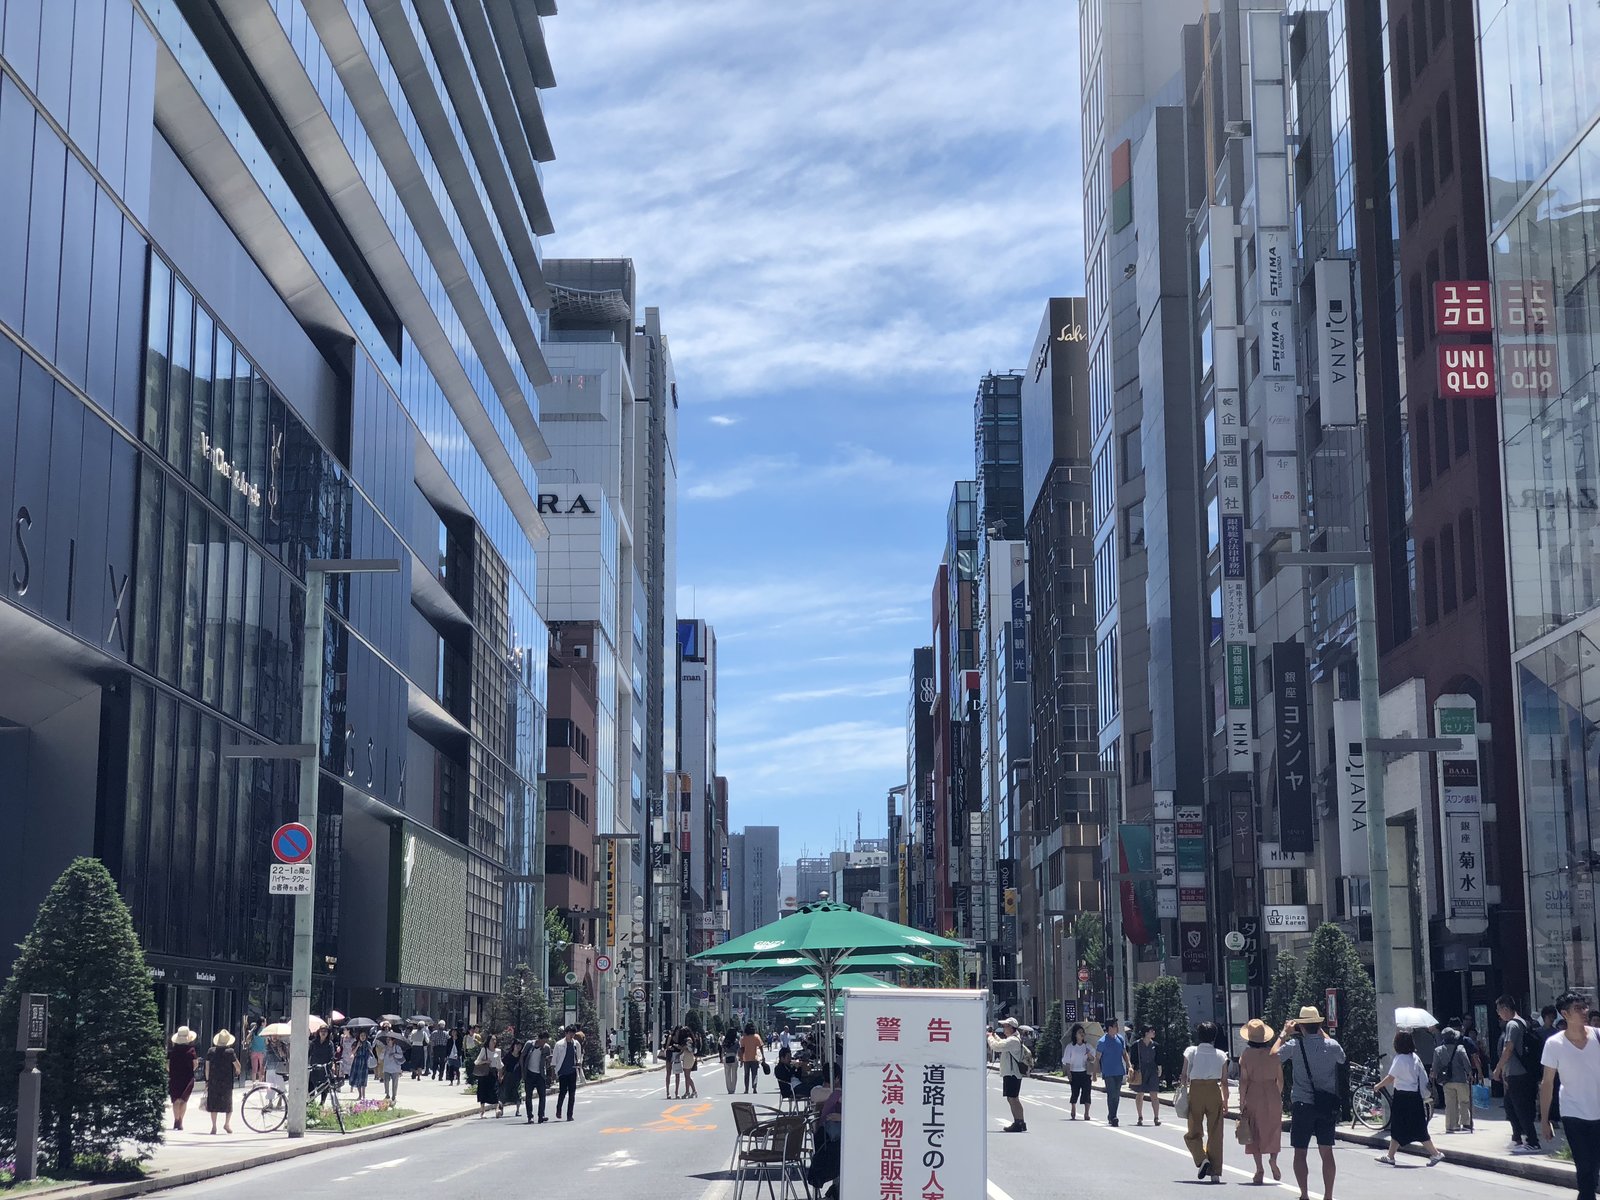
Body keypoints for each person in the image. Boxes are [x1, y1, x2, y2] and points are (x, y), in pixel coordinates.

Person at [1273, 1006, 1346, 1200]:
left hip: (1302, 1104)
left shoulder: (1295, 1046)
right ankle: (1328, 1196)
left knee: (1300, 1151)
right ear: (1319, 1024)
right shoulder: (1331, 1046)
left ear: (1301, 1026)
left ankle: (1304, 1194)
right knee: (1326, 1150)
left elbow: (1272, 1057)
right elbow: (1342, 1059)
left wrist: (1284, 1033)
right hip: (1326, 1105)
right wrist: (1319, 1031)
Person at [1541, 991, 1600, 1200]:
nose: (1584, 1011)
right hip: (1573, 1113)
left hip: (1598, 1112)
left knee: (1594, 1167)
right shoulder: (1554, 1044)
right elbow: (1547, 1083)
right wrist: (1545, 1119)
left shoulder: (1598, 1036)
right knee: (1584, 1166)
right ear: (1565, 1014)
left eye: (1584, 1007)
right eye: (1578, 1008)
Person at [1375, 1030, 1443, 1166]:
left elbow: (1391, 1077)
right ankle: (1391, 1156)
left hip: (1402, 1097)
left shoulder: (1399, 1059)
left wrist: (1378, 1085)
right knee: (1417, 1127)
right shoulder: (1414, 1057)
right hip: (1415, 1097)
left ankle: (1435, 1153)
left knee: (1398, 1125)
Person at [1181, 1020, 1230, 1183]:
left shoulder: (1191, 1051)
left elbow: (1183, 1075)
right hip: (1213, 1090)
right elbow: (1224, 1081)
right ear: (1214, 1037)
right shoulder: (1221, 1055)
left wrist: (1183, 1089)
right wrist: (1226, 1100)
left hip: (1196, 1090)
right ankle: (1215, 1172)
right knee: (1216, 1131)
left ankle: (1202, 1159)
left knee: (1193, 1130)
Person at [1496, 994, 1545, 1153]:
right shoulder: (1524, 1023)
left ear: (1505, 1008)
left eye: (1499, 1010)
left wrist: (1498, 1069)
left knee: (1520, 1108)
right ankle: (1517, 1138)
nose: (1498, 1015)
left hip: (1518, 1074)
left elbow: (1508, 1049)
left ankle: (1532, 1141)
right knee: (1511, 1106)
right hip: (1526, 1073)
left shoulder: (1512, 1025)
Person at [1238, 1019, 1283, 1185]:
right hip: (1271, 1092)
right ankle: (1273, 1159)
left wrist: (1242, 1101)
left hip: (1254, 1093)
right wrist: (1276, 1095)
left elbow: (1243, 1081)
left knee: (1254, 1132)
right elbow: (1281, 1079)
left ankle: (1259, 1169)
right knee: (1273, 1128)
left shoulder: (1246, 1055)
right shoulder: (1274, 1053)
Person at [988, 1016, 1032, 1132]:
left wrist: (989, 1038)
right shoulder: (1013, 1039)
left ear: (1011, 1028)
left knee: (1013, 1099)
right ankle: (1019, 1122)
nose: (1004, 1028)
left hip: (1012, 1073)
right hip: (1011, 1073)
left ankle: (1019, 1122)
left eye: (1005, 1026)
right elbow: (1001, 1043)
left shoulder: (1013, 1040)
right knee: (1012, 1098)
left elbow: (997, 1046)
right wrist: (994, 1036)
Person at [1433, 1026, 1474, 1134]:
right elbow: (1467, 1063)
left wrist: (1434, 1076)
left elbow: (1435, 1067)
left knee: (1450, 1104)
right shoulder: (1460, 1048)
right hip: (1461, 1079)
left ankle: (1452, 1125)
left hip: (1447, 1081)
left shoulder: (1438, 1050)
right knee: (1464, 1101)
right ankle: (1465, 1123)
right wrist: (1470, 1073)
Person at [204, 1030, 240, 1135]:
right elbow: (238, 1066)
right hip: (227, 1081)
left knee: (213, 1103)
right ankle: (227, 1124)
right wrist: (237, 1071)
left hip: (213, 1081)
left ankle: (214, 1126)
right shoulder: (230, 1052)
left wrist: (207, 1080)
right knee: (228, 1103)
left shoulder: (211, 1051)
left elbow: (207, 1067)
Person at [1096, 1017, 1129, 1127]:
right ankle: (1113, 1116)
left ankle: (1112, 1115)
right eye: (1115, 1026)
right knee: (1112, 1095)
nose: (1117, 1028)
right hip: (1108, 1072)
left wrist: (1129, 1065)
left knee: (1117, 1095)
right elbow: (1098, 1058)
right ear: (1110, 1028)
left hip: (1119, 1071)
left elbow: (1124, 1053)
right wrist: (1094, 1073)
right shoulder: (1102, 1042)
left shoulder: (1120, 1039)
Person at [168, 1026, 199, 1131]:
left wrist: (171, 1071)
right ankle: (180, 1121)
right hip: (187, 1076)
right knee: (184, 1100)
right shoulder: (191, 1050)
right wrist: (190, 1070)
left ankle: (176, 1120)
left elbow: (167, 1065)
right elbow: (195, 1064)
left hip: (174, 1077)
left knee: (175, 1100)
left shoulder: (172, 1051)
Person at [1062, 1024, 1094, 1120]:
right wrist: (1068, 1073)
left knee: (1087, 1092)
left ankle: (1087, 1113)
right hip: (1074, 1072)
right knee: (1075, 1092)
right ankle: (1073, 1108)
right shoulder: (1070, 1047)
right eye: (1079, 1032)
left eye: (1082, 1032)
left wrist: (1088, 1054)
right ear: (1075, 1035)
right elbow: (1067, 1061)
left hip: (1085, 1072)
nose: (1082, 1034)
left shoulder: (1087, 1046)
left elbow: (1093, 1059)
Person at [1133, 1025, 1163, 1126]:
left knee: (1154, 1094)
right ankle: (1140, 1116)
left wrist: (1159, 1068)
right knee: (1140, 1093)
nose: (1153, 1032)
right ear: (1146, 1033)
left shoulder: (1155, 1045)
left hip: (1152, 1070)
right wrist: (1132, 1070)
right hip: (1140, 1070)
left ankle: (1156, 1117)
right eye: (1151, 1031)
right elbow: (1133, 1059)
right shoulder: (1136, 1045)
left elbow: (1158, 1058)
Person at [553, 1026, 582, 1121]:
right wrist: (554, 1070)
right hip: (562, 1071)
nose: (571, 1035)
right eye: (570, 1033)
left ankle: (570, 1115)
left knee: (572, 1094)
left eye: (573, 1033)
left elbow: (579, 1056)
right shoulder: (559, 1044)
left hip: (572, 1071)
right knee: (562, 1092)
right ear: (566, 1033)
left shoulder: (576, 1044)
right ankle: (559, 1109)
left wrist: (579, 1062)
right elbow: (555, 1058)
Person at [523, 1030, 550, 1123]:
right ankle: (530, 1116)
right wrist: (523, 1072)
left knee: (542, 1096)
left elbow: (547, 1061)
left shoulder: (546, 1048)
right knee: (528, 1096)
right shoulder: (530, 1044)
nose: (544, 1043)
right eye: (543, 1041)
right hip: (529, 1073)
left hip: (540, 1074)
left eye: (546, 1041)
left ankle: (541, 1115)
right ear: (539, 1039)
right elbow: (522, 1056)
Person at [475, 1034, 503, 1117]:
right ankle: (482, 1110)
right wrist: (485, 1061)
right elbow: (477, 1062)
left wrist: (500, 1075)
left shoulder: (498, 1051)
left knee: (495, 1092)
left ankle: (497, 1110)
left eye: (495, 1040)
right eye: (492, 1040)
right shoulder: (484, 1050)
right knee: (483, 1092)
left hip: (493, 1073)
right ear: (488, 1041)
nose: (494, 1041)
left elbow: (499, 1064)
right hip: (484, 1074)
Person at [501, 1035, 524, 1116]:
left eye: (520, 1045)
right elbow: (502, 1064)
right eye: (517, 1045)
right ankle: (501, 1110)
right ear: (513, 1045)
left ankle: (517, 1111)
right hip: (508, 1076)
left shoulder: (521, 1056)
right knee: (504, 1093)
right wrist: (501, 1075)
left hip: (517, 1077)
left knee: (517, 1093)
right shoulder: (509, 1055)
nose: (518, 1047)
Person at [740, 1022, 765, 1093]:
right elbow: (761, 1046)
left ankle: (746, 1089)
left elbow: (742, 1049)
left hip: (746, 1058)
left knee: (746, 1074)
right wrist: (763, 1056)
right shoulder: (756, 1036)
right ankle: (754, 1087)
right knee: (755, 1074)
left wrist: (741, 1059)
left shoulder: (743, 1038)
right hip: (754, 1058)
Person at [347, 1029, 371, 1101]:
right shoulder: (355, 1043)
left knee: (363, 1079)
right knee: (357, 1079)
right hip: (357, 1062)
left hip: (364, 1062)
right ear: (359, 1036)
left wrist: (369, 1051)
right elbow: (352, 1053)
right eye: (361, 1035)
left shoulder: (368, 1044)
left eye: (364, 1035)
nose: (363, 1037)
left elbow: (370, 1053)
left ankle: (364, 1096)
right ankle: (360, 1095)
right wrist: (357, 1046)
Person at [382, 1031, 406, 1102]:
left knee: (395, 1083)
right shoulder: (385, 1048)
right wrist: (383, 1051)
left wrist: (393, 1054)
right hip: (386, 1067)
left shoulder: (397, 1047)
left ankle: (394, 1095)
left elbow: (401, 1055)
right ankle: (387, 1094)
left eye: (389, 1040)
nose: (388, 1041)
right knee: (386, 1081)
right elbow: (380, 1057)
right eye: (387, 1040)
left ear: (393, 1041)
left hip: (395, 1068)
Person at [679, 1027, 700, 1098]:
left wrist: (680, 1047)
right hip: (687, 1057)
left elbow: (687, 1048)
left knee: (687, 1076)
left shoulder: (688, 1040)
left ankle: (693, 1091)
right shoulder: (690, 1039)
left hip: (689, 1057)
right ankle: (688, 1091)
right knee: (686, 1076)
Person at [722, 1025, 741, 1093]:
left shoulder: (725, 1041)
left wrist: (722, 1058)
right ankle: (733, 1089)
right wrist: (741, 1058)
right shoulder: (736, 1041)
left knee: (727, 1074)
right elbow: (739, 1050)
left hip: (727, 1057)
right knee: (734, 1074)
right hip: (734, 1057)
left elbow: (723, 1050)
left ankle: (729, 1089)